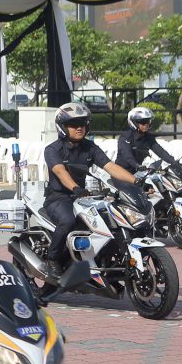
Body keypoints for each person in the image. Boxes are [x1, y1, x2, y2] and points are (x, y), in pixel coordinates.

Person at [43, 102, 138, 278]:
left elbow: (110, 167)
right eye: (73, 124)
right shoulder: (53, 149)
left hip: (82, 197)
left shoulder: (90, 148)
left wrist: (137, 181)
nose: (79, 128)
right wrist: (75, 188)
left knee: (109, 220)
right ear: (63, 127)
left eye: (83, 123)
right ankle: (52, 259)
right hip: (58, 198)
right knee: (68, 221)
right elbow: (59, 171)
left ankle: (104, 261)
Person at [114, 106, 182, 176]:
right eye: (143, 122)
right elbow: (127, 156)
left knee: (155, 185)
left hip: (137, 172)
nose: (146, 125)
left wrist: (174, 162)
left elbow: (160, 151)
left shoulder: (148, 137)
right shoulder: (126, 137)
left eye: (148, 121)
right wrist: (137, 165)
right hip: (121, 172)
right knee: (137, 186)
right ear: (134, 123)